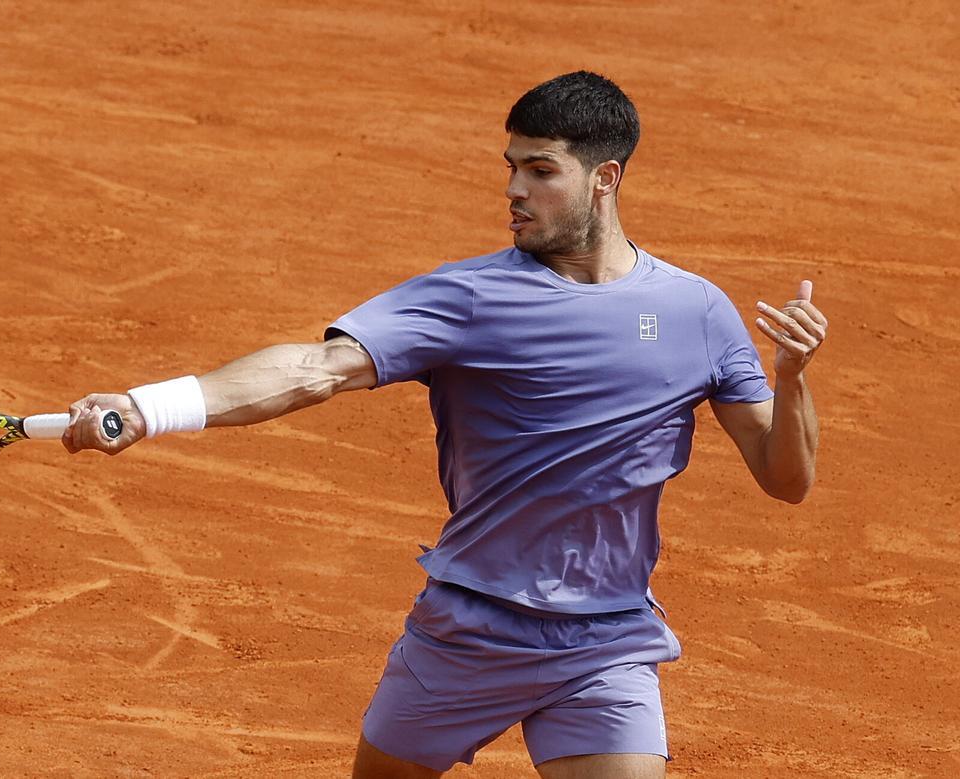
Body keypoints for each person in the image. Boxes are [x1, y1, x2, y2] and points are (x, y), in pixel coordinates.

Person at [61, 71, 827, 779]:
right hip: (470, 630)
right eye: (511, 167)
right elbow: (313, 369)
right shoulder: (469, 298)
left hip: (609, 638)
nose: (515, 191)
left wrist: (790, 383)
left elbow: (786, 479)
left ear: (605, 179)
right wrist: (147, 406)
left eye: (540, 170)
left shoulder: (698, 311)